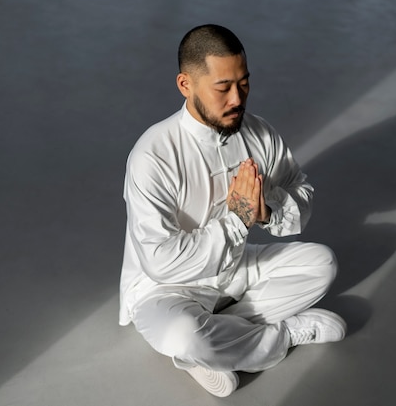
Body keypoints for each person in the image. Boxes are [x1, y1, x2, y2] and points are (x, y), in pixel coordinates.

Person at [118, 24, 346, 397]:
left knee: (322, 263)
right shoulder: (152, 155)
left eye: (244, 83)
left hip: (236, 268)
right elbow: (159, 261)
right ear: (185, 85)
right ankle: (281, 335)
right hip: (166, 288)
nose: (237, 98)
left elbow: (300, 190)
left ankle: (217, 344)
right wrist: (238, 220)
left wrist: (267, 212)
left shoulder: (260, 134)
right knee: (183, 335)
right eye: (223, 87)